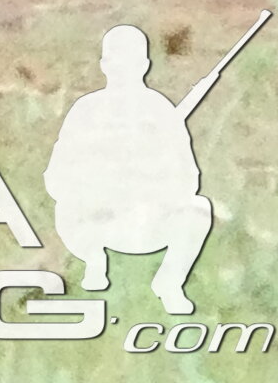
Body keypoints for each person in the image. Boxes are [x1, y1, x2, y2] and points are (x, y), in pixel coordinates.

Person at [45, 24, 217, 316]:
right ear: (104, 65)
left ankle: (170, 282)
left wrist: (152, 183)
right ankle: (93, 261)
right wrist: (97, 186)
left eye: (132, 61)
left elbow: (188, 177)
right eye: (117, 61)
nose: (124, 69)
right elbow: (56, 177)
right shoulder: (86, 110)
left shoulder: (161, 111)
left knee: (198, 210)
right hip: (92, 221)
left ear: (145, 65)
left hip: (146, 220)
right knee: (70, 211)